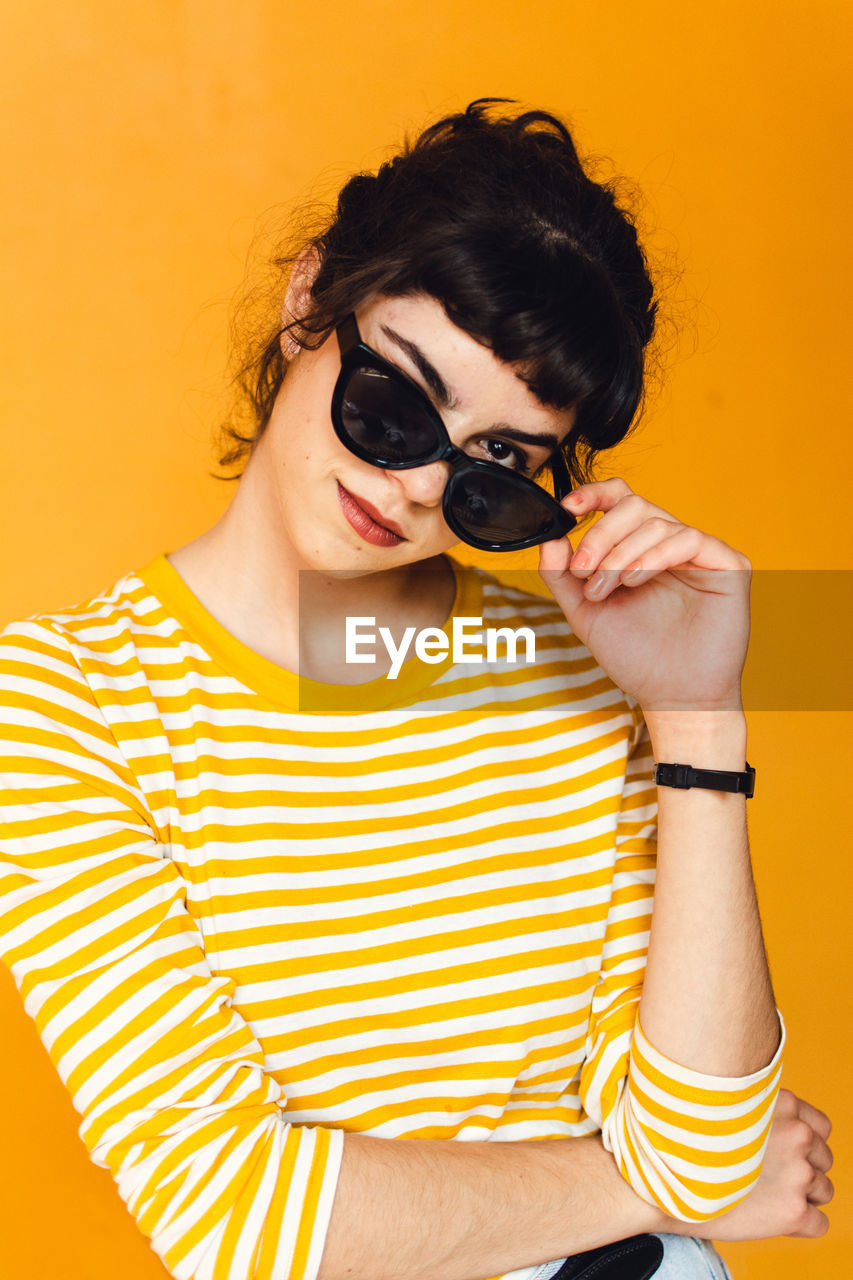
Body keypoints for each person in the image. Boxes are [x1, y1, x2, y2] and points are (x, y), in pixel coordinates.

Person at [0, 100, 832, 1280]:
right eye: (394, 405)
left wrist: (696, 713)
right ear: (309, 304)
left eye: (495, 468)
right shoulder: (58, 705)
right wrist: (640, 1182)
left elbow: (698, 1136)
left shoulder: (574, 682)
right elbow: (237, 1217)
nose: (413, 485)